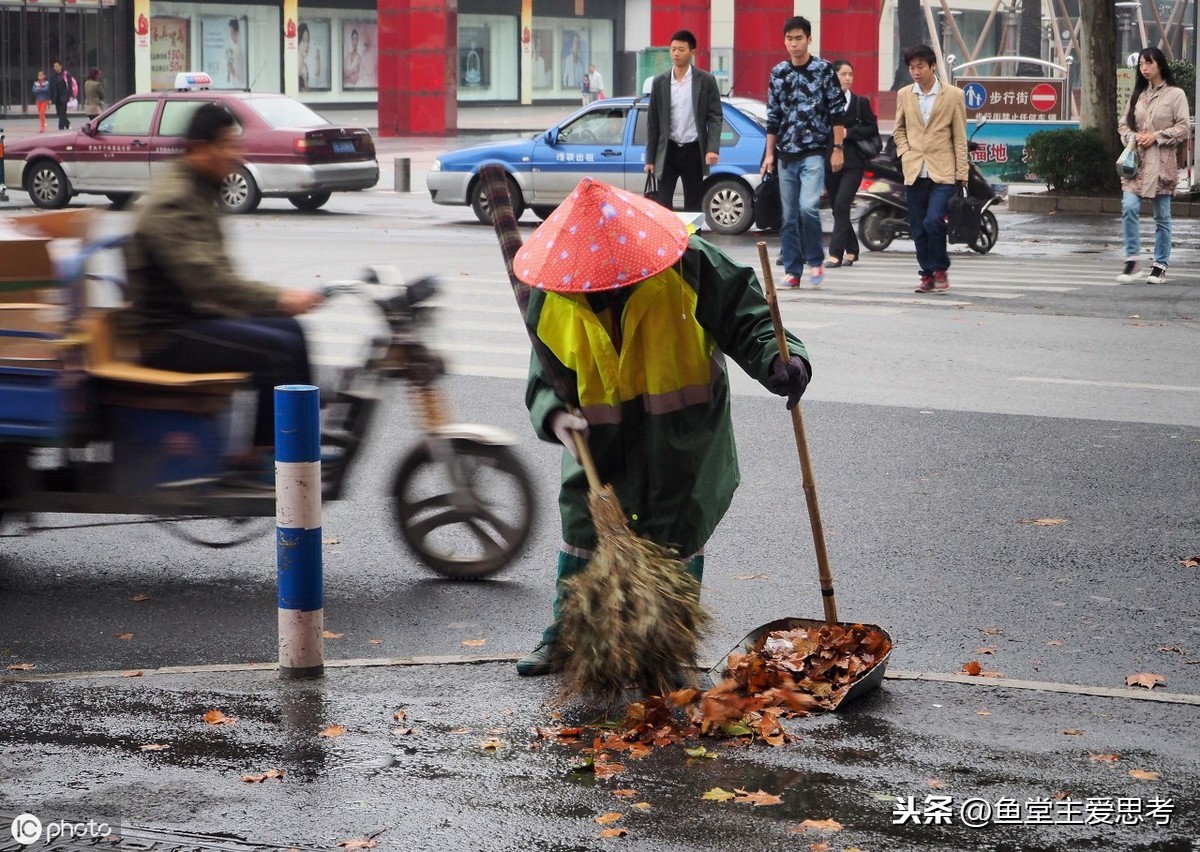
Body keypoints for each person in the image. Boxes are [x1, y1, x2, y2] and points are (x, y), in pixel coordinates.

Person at [512, 177, 812, 677]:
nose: (607, 286)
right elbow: (545, 375)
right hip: (598, 443)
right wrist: (553, 414)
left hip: (681, 440)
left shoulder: (690, 264)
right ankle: (567, 636)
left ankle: (670, 645)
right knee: (583, 535)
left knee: (677, 534)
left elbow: (752, 320)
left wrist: (783, 360)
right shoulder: (554, 295)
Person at [122, 104, 324, 467]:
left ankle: (301, 442)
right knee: (277, 350)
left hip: (197, 316)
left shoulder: (199, 188)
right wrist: (277, 297)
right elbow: (208, 281)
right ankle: (266, 458)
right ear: (201, 148)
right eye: (228, 145)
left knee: (293, 332)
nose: (235, 156)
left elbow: (216, 275)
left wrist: (271, 306)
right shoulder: (175, 201)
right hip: (166, 334)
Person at [762, 16, 845, 290]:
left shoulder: (824, 70)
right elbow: (772, 117)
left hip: (813, 152)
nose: (794, 43)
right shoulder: (778, 73)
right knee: (788, 216)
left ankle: (816, 260)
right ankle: (793, 271)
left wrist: (837, 149)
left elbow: (836, 113)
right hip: (785, 154)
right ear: (784, 40)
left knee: (808, 207)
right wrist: (769, 154)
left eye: (799, 38)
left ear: (809, 39)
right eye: (789, 39)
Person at [891, 44, 968, 294]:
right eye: (912, 68)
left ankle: (940, 268)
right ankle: (926, 274)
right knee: (917, 228)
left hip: (942, 171)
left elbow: (959, 136)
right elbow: (898, 130)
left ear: (932, 66)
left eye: (920, 66)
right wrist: (905, 151)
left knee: (934, 220)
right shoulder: (904, 94)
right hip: (914, 170)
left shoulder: (953, 95)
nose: (916, 72)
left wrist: (962, 174)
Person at [1116, 47, 1190, 285]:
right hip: (1136, 163)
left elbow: (1183, 127)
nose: (1144, 68)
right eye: (1140, 65)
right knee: (1128, 206)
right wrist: (1132, 138)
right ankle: (1132, 259)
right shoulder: (1137, 94)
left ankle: (1160, 264)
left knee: (1162, 216)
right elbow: (1123, 125)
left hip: (1161, 164)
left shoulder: (1175, 94)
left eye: (1148, 63)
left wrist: (1156, 136)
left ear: (1159, 64)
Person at [644, 29, 722, 213]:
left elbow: (715, 116)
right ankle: (667, 242)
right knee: (663, 206)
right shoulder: (660, 82)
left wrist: (712, 148)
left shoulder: (706, 81)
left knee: (693, 205)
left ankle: (693, 242)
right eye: (673, 49)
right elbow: (653, 122)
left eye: (681, 49)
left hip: (694, 150)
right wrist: (650, 158)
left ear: (692, 52)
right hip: (668, 151)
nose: (676, 53)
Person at [825, 59, 876, 268]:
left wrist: (849, 133)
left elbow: (871, 128)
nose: (847, 78)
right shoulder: (824, 102)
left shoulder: (859, 102)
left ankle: (835, 254)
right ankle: (853, 249)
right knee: (838, 209)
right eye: (843, 74)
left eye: (850, 74)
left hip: (853, 162)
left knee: (842, 203)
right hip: (830, 161)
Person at [49, 61, 73, 130]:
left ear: (60, 66)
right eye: (54, 66)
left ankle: (61, 127)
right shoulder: (53, 76)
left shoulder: (66, 75)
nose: (55, 68)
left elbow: (70, 85)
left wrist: (71, 95)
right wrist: (50, 98)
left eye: (56, 66)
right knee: (59, 113)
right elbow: (50, 87)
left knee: (62, 112)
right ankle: (67, 123)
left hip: (64, 97)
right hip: (56, 98)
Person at [298, 22, 322, 91]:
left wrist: (318, 60)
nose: (306, 45)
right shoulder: (294, 68)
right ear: (298, 42)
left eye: (308, 41)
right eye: (303, 41)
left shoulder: (305, 67)